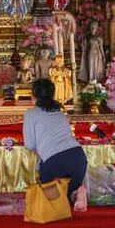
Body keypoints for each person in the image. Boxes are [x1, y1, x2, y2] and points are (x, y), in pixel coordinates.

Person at [23, 79, 88, 211]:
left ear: (34, 95)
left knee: (51, 200)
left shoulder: (31, 114)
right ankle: (77, 193)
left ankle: (62, 201)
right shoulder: (59, 113)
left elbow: (29, 144)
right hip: (78, 157)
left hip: (54, 161)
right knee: (69, 192)